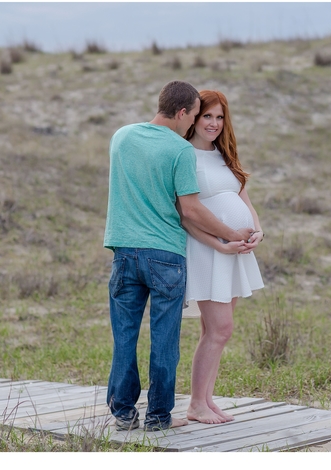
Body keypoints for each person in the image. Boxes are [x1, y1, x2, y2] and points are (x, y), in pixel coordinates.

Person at [103, 81, 254, 432]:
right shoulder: (180, 150)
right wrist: (230, 234)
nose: (194, 126)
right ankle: (158, 417)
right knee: (164, 339)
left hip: (124, 250)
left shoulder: (122, 136)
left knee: (124, 335)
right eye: (196, 118)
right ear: (184, 112)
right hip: (165, 255)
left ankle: (123, 411)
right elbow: (189, 208)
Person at [180, 90, 265, 424]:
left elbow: (243, 196)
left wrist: (257, 228)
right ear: (194, 118)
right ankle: (195, 405)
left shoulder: (222, 154)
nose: (214, 124)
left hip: (235, 251)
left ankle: (206, 399)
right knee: (220, 329)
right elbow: (185, 214)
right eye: (207, 117)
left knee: (213, 331)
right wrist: (222, 243)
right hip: (208, 251)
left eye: (219, 117)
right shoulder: (184, 155)